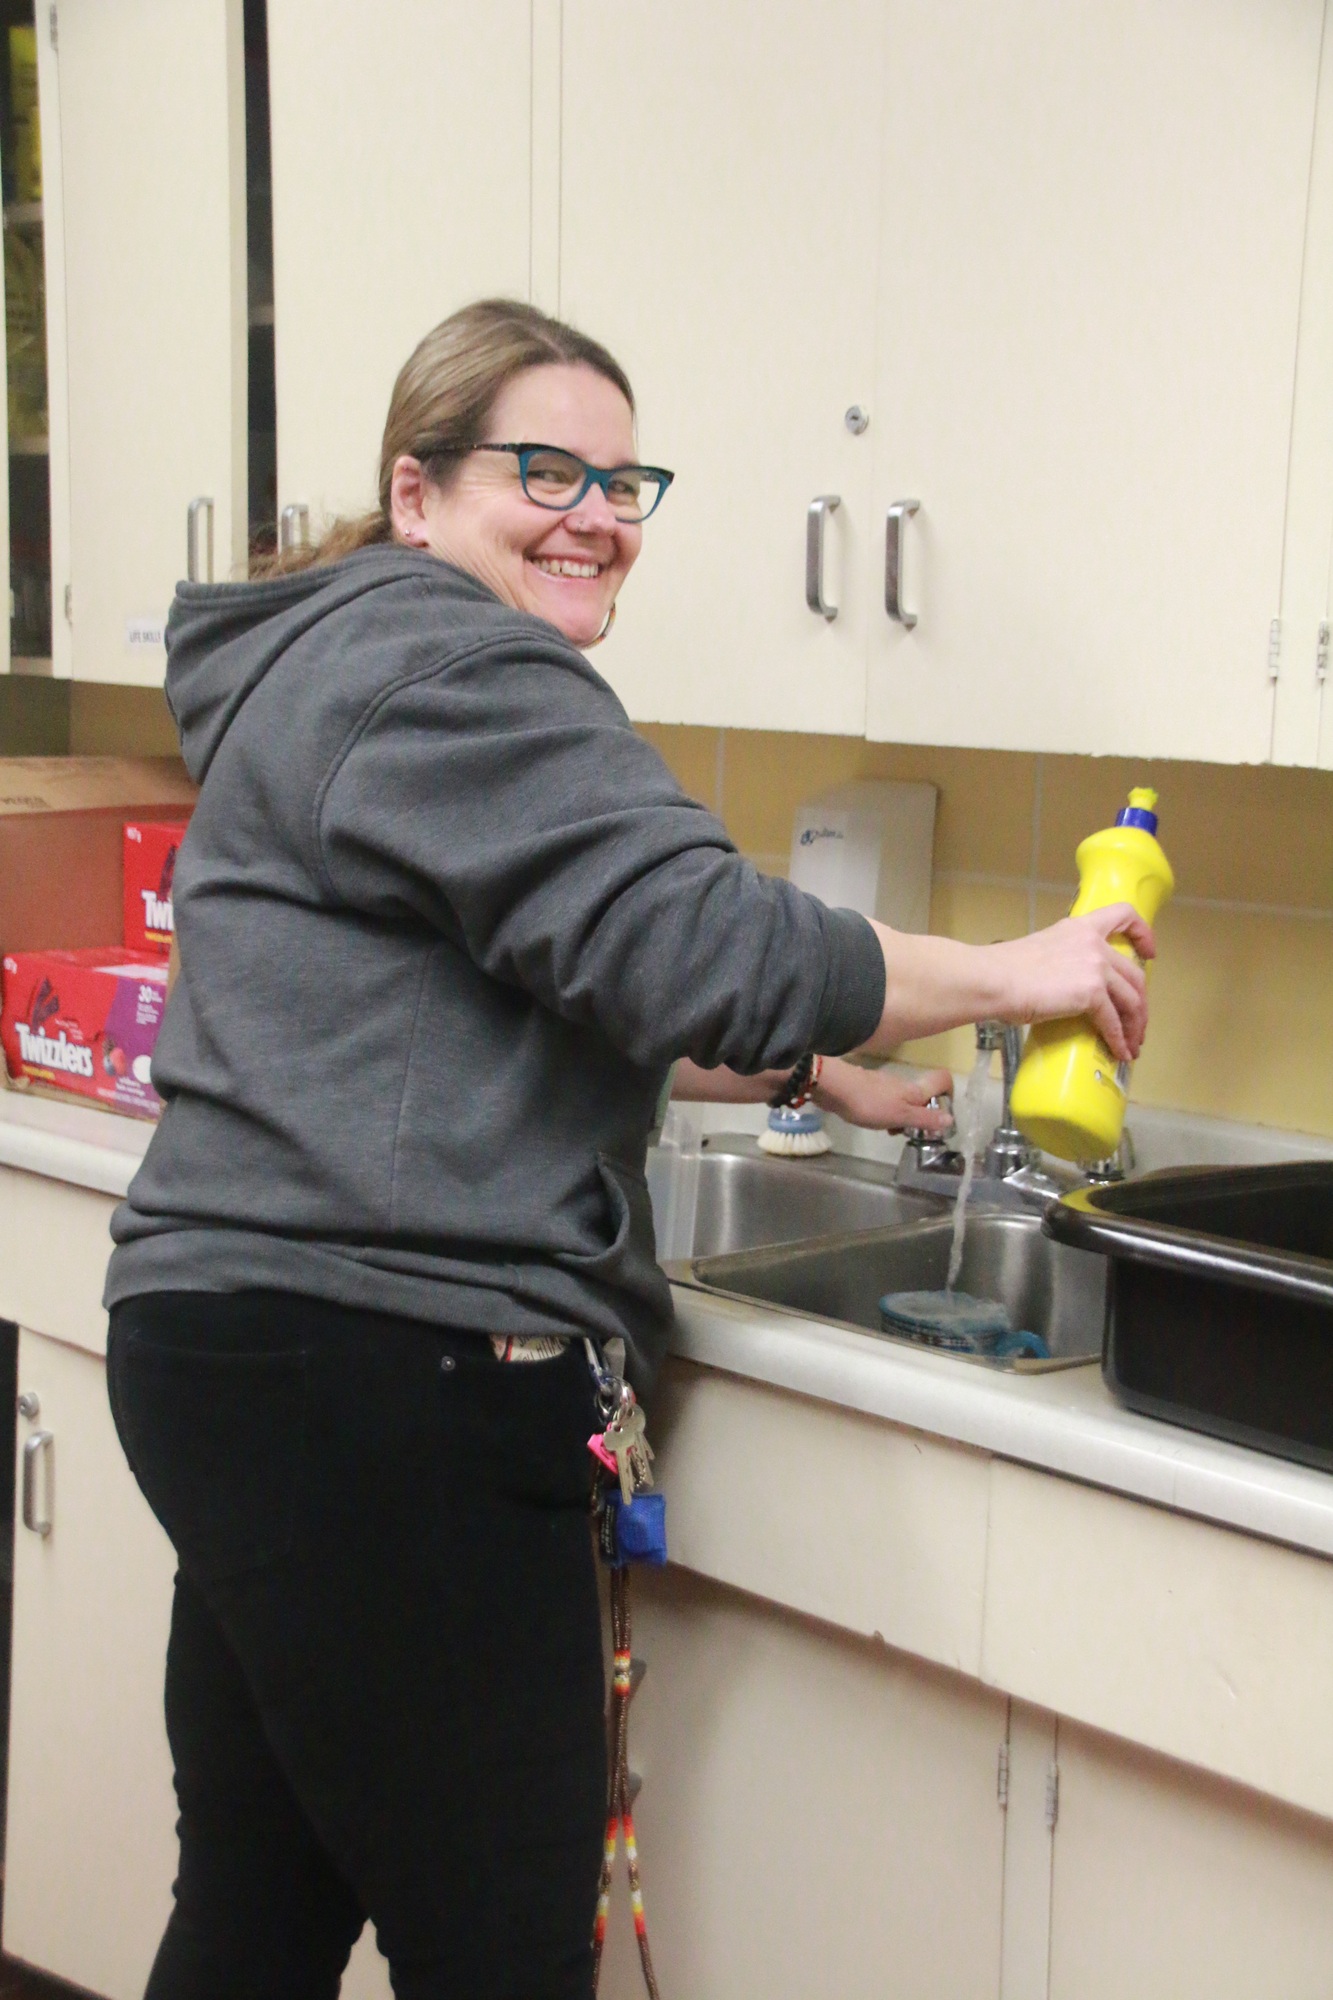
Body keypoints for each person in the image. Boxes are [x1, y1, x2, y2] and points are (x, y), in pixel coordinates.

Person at [103, 298, 1151, 2000]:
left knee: (257, 1910)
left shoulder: (336, 656)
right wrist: (1011, 973)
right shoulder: (458, 666)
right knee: (501, 1956)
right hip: (392, 1377)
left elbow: (527, 984)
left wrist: (816, 1072)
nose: (595, 515)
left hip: (245, 1355)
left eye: (622, 481)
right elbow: (706, 942)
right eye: (544, 470)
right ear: (419, 490)